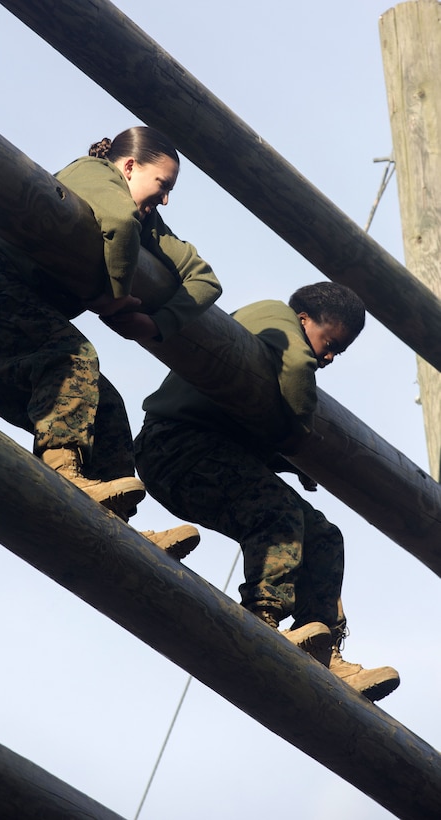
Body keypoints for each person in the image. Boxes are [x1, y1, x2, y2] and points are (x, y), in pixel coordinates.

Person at [0, 126, 222, 559]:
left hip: (16, 315)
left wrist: (154, 325)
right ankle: (63, 471)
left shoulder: (149, 222)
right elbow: (116, 222)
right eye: (163, 185)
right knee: (72, 356)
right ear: (130, 166)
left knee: (106, 404)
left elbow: (205, 280)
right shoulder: (95, 173)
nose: (166, 199)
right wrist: (117, 299)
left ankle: (115, 525)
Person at [134, 282, 400, 701]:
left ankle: (321, 647)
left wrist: (290, 461)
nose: (328, 358)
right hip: (174, 446)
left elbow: (255, 417)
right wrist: (296, 441)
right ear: (303, 319)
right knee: (277, 514)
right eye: (329, 344)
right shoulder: (274, 316)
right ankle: (263, 614)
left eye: (337, 353)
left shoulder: (280, 338)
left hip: (212, 450)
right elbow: (296, 366)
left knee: (324, 535)